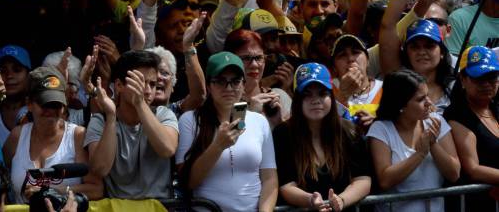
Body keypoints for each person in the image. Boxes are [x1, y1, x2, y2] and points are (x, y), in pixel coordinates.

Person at [176, 52, 277, 212]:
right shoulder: (190, 120)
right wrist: (217, 146)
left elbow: (270, 178)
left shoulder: (259, 121)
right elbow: (187, 182)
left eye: (235, 81)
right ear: (209, 86)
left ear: (244, 85)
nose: (229, 88)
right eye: (220, 81)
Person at [273, 63, 371, 210]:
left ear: (331, 96)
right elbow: (286, 186)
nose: (316, 100)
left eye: (322, 93)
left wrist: (342, 200)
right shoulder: (283, 133)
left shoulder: (349, 130)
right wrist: (310, 200)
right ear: (297, 100)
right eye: (307, 94)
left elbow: (363, 179)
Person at [85, 49, 179, 200]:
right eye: (140, 83)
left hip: (158, 206)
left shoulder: (163, 115)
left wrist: (140, 104)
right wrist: (111, 117)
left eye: (153, 84)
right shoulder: (100, 120)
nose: (148, 91)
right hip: (117, 207)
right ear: (119, 85)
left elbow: (167, 149)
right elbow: (100, 169)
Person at [367, 69, 460, 212]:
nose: (429, 103)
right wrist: (420, 154)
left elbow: (454, 173)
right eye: (420, 99)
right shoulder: (381, 129)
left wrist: (433, 144)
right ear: (401, 105)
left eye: (428, 96)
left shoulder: (436, 121)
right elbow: (385, 180)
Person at [3, 66, 98, 204]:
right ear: (29, 104)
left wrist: (54, 190)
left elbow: (96, 188)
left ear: (64, 106)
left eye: (56, 104)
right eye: (44, 104)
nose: (51, 111)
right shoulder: (17, 136)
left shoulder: (77, 135)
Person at [444, 46, 499, 207]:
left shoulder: (496, 108)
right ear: (463, 79)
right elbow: (473, 169)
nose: (486, 84)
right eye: (479, 78)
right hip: (475, 204)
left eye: (492, 77)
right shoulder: (457, 115)